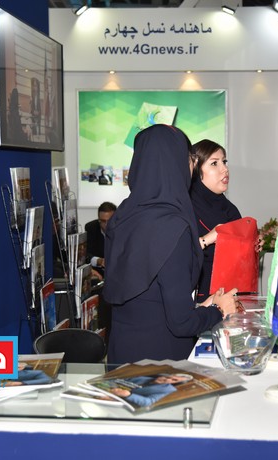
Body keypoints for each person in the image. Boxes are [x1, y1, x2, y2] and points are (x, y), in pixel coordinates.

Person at [102, 124, 238, 364]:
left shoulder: (122, 217)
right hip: (160, 363)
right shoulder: (173, 227)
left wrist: (205, 307)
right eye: (189, 159)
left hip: (121, 354)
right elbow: (181, 323)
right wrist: (219, 310)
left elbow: (148, 298)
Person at [189, 139, 242, 301]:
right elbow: (173, 257)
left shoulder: (230, 210)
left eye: (224, 162)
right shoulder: (184, 207)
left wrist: (251, 248)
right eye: (214, 163)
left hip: (229, 296)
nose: (225, 169)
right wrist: (207, 239)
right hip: (193, 300)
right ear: (196, 169)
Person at [107, 373, 193, 408]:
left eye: (174, 380)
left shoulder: (168, 391)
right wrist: (112, 388)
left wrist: (128, 395)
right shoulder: (143, 377)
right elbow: (116, 380)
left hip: (125, 405)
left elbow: (148, 402)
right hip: (110, 393)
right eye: (168, 376)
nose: (167, 379)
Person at [85, 201, 117, 278]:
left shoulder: (125, 230)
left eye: (110, 221)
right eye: (103, 221)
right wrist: (98, 261)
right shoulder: (91, 228)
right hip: (98, 273)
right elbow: (85, 255)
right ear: (99, 220)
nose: (106, 225)